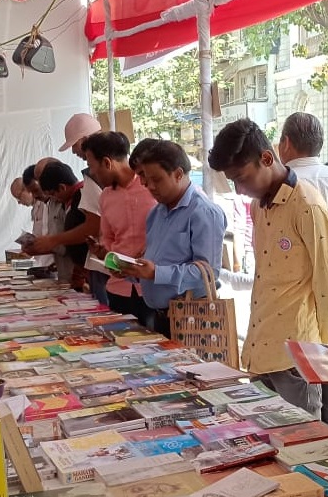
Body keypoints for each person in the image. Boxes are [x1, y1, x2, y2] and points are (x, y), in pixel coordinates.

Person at [209, 118, 328, 416]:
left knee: (302, 444)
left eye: (242, 178)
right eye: (232, 181)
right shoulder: (259, 206)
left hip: (295, 356)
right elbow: (264, 278)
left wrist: (325, 356)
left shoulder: (308, 206)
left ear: (267, 158)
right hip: (260, 348)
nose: (239, 189)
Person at [279, 112, 328, 443]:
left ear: (285, 144)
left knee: (300, 384)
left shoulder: (283, 183)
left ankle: (313, 455)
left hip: (297, 296)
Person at [130, 140, 226, 338]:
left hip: (192, 319)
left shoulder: (203, 212)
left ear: (178, 174)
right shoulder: (155, 213)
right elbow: (158, 263)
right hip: (159, 317)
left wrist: (157, 272)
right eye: (147, 180)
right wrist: (132, 270)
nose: (150, 187)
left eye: (157, 179)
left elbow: (208, 273)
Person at [84, 131, 156, 325]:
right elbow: (108, 238)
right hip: (118, 289)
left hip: (153, 289)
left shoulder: (153, 187)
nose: (91, 172)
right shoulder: (106, 197)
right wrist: (103, 252)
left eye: (91, 165)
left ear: (107, 163)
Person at [62, 113, 109, 304]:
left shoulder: (94, 177)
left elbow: (93, 225)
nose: (74, 152)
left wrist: (52, 240)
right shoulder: (92, 177)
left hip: (109, 266)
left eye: (74, 145)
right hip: (104, 263)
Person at [27, 161, 91, 291]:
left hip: (85, 271)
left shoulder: (83, 196)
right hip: (72, 271)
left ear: (62, 188)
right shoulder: (68, 200)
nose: (53, 199)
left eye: (53, 194)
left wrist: (51, 242)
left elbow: (88, 231)